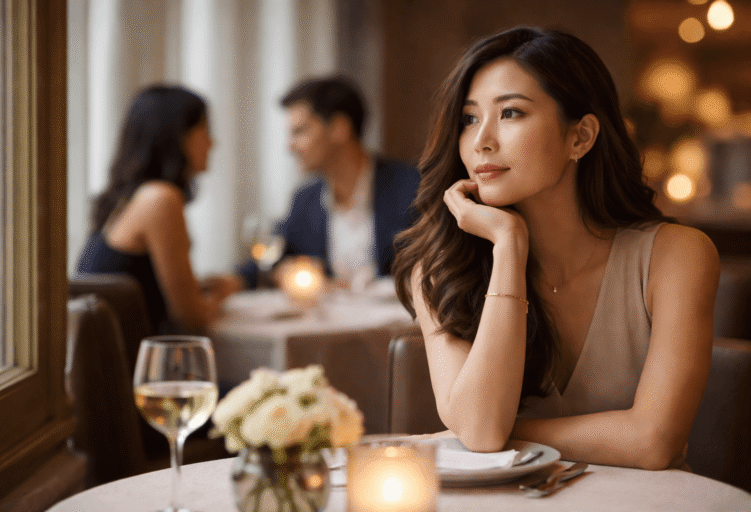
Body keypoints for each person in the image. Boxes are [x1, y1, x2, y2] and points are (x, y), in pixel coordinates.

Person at [392, 27, 720, 470]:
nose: (481, 141)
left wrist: (499, 433)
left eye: (510, 113)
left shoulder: (677, 257)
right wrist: (509, 247)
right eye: (469, 119)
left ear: (580, 137)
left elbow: (652, 442)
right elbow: (483, 429)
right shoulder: (440, 269)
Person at [76, 84, 240, 334]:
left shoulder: (126, 201)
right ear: (176, 135)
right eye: (204, 129)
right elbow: (192, 319)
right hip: (140, 368)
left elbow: (146, 290)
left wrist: (202, 287)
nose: (212, 142)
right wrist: (222, 295)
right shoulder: (160, 199)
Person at [236, 75, 420, 290]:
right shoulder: (306, 199)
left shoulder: (413, 188)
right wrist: (234, 281)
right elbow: (271, 258)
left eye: (299, 132)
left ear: (338, 129)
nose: (290, 146)